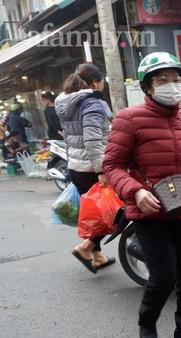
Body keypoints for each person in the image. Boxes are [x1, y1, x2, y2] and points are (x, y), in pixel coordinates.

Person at [103, 52, 181, 338]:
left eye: (175, 79)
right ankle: (147, 320)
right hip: (148, 211)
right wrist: (135, 192)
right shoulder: (129, 119)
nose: (172, 85)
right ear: (148, 87)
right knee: (164, 276)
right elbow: (112, 166)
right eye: (162, 80)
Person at [55, 63, 114, 273]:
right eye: (102, 82)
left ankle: (97, 257)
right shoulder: (92, 104)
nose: (103, 86)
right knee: (112, 213)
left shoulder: (67, 103)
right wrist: (101, 171)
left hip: (76, 166)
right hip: (91, 168)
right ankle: (85, 247)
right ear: (93, 83)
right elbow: (92, 140)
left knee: (95, 213)